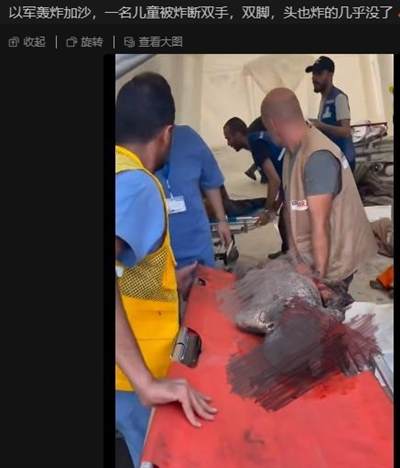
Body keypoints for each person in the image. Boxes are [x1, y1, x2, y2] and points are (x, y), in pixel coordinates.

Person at [115, 73, 217, 467]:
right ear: (166, 133)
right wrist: (145, 383)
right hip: (133, 375)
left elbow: (126, 271)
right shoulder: (137, 185)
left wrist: (168, 282)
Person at [261, 87, 377, 292]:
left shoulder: (317, 157)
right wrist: (296, 258)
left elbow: (320, 226)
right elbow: (290, 208)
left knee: (329, 303)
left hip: (335, 259)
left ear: (272, 124)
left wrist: (320, 283)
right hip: (313, 254)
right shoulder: (291, 153)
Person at [156, 125, 232, 269]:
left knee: (202, 279)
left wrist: (221, 220)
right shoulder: (135, 142)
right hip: (157, 248)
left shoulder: (188, 137)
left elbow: (211, 180)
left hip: (196, 240)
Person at [223, 116, 288, 258]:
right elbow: (282, 176)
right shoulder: (257, 139)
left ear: (238, 134)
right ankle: (287, 252)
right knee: (285, 216)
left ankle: (290, 254)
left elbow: (274, 180)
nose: (228, 143)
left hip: (298, 174)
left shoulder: (256, 144)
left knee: (288, 216)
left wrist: (267, 211)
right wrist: (276, 205)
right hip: (291, 175)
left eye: (229, 138)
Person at [305, 56, 356, 172]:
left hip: (343, 161)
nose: (314, 78)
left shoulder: (339, 98)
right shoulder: (324, 99)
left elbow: (346, 131)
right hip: (332, 160)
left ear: (330, 75)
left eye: (319, 73)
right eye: (313, 74)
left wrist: (320, 125)